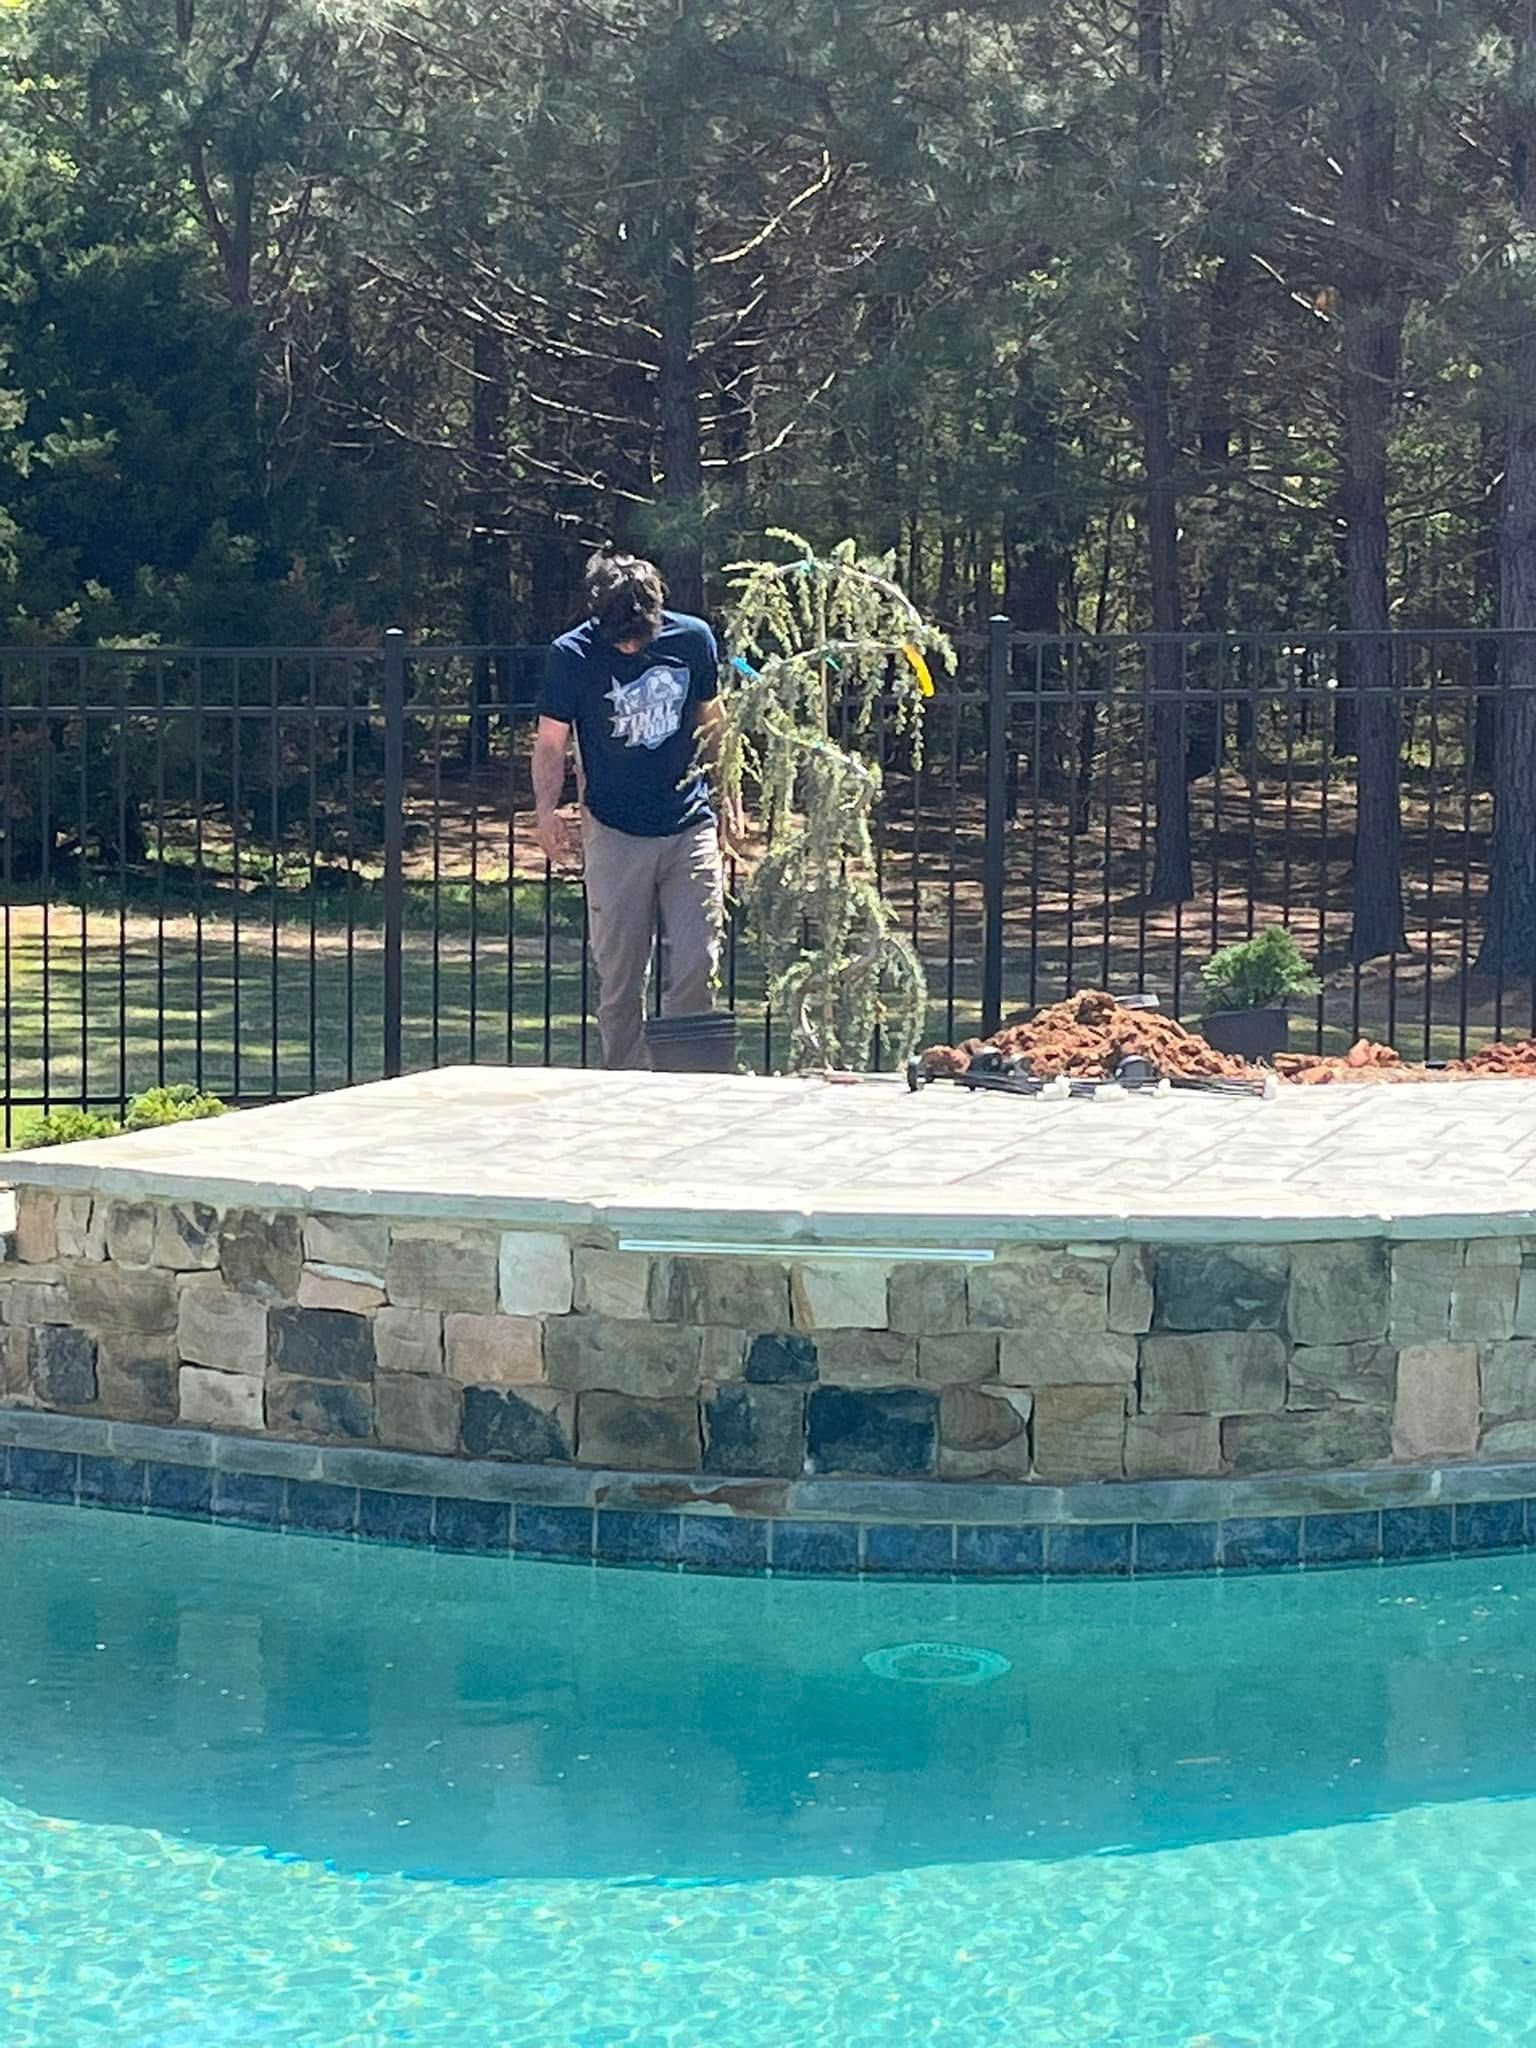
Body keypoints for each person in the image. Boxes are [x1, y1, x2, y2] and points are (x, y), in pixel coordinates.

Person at [533, 551, 744, 1070]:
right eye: (619, 636)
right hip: (613, 828)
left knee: (699, 958)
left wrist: (730, 796)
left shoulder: (692, 640)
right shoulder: (572, 655)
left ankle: (684, 1079)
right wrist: (545, 811)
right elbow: (550, 743)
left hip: (688, 821)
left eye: (639, 634)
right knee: (621, 976)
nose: (629, 644)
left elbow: (712, 724)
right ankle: (623, 1082)